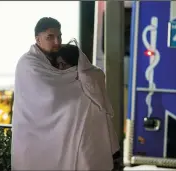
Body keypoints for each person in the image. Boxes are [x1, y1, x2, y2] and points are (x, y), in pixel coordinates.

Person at [11, 17, 119, 170]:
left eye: (59, 36)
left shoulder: (64, 54)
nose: (57, 41)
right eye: (50, 37)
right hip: (34, 131)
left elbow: (93, 73)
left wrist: (80, 76)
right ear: (38, 39)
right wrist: (76, 78)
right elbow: (51, 93)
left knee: (90, 104)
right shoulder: (28, 63)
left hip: (68, 133)